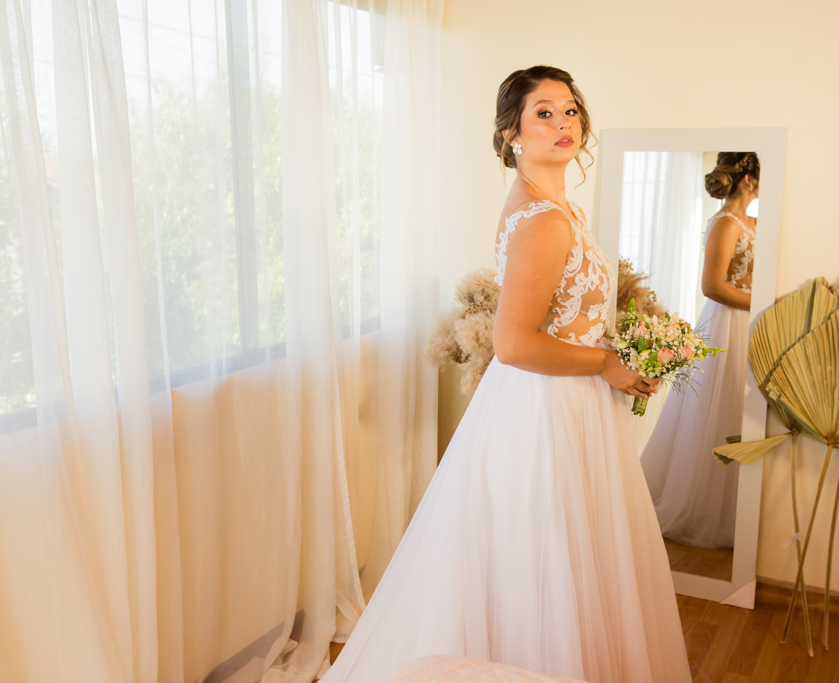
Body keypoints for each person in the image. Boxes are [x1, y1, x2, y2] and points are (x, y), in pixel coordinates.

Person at [318, 66, 692, 683]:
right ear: (511, 133)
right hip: (545, 409)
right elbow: (514, 343)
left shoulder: (556, 208)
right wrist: (606, 363)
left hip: (560, 400)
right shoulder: (545, 220)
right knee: (545, 558)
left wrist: (623, 349)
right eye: (543, 113)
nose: (564, 123)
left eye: (570, 110)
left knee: (556, 557)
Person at [637, 152, 759, 550]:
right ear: (748, 179)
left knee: (747, 410)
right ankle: (706, 509)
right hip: (730, 323)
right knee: (721, 409)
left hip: (756, 324)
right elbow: (712, 286)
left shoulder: (757, 223)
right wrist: (762, 301)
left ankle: (742, 510)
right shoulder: (725, 223)